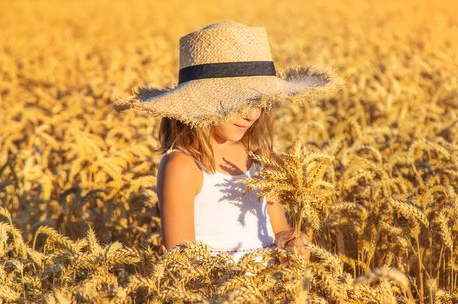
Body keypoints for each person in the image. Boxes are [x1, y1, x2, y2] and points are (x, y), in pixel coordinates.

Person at [113, 20, 343, 266]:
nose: (252, 115)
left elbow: (278, 233)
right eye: (239, 103)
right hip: (216, 298)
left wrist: (289, 246)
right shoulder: (182, 166)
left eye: (259, 102)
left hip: (275, 298)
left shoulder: (260, 158)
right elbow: (181, 265)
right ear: (203, 101)